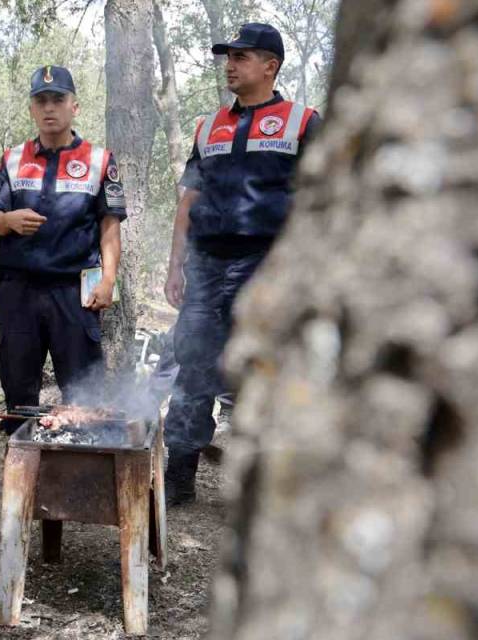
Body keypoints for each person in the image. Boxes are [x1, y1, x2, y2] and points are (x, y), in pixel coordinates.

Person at [162, 23, 323, 505]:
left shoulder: (303, 122)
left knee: (259, 372)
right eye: (227, 56)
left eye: (242, 56)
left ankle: (258, 487)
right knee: (192, 367)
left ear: (270, 66)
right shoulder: (209, 126)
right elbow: (190, 198)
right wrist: (175, 265)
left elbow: (322, 200)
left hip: (267, 264)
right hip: (207, 264)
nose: (230, 64)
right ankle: (179, 476)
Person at [0, 65, 125, 431]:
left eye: (58, 99)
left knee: (82, 393)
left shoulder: (99, 160)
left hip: (74, 290)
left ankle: (80, 467)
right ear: (32, 108)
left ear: (74, 106)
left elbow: (110, 227)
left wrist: (108, 280)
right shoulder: (11, 159)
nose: (50, 108)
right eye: (41, 100)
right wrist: (9, 220)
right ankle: (20, 469)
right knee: (17, 387)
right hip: (19, 290)